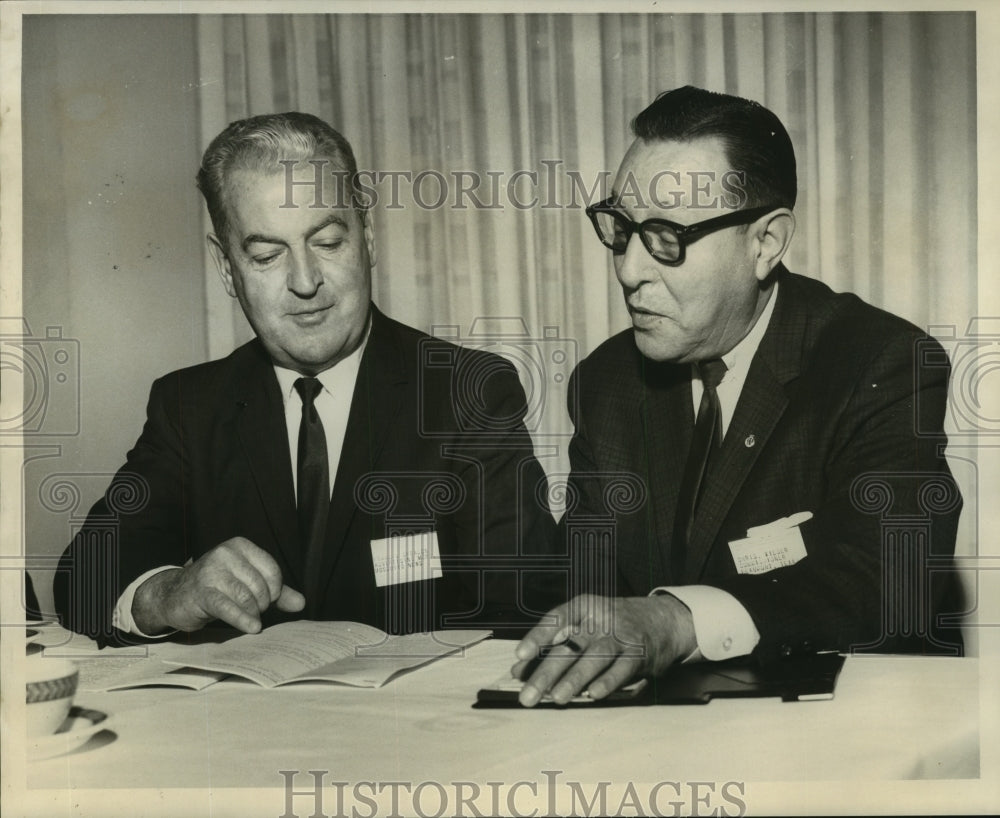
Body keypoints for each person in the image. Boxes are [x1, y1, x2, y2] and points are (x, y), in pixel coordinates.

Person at [513, 86, 963, 706]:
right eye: (621, 230)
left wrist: (677, 621)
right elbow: (582, 584)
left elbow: (892, 572)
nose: (628, 270)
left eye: (666, 236)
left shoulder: (878, 361)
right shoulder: (607, 381)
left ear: (765, 243)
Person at [54, 112, 555, 646]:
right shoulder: (189, 407)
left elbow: (528, 604)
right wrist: (170, 593)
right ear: (227, 269)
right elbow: (82, 579)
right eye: (268, 255)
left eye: (329, 242)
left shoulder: (468, 392)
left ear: (368, 239)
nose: (305, 281)